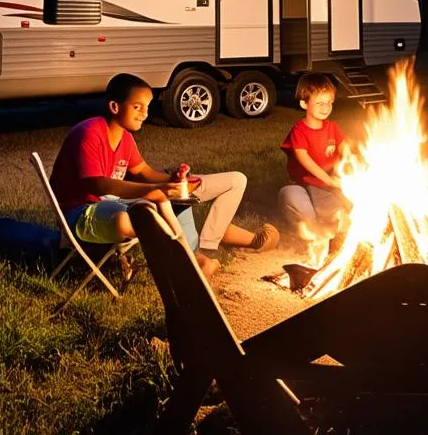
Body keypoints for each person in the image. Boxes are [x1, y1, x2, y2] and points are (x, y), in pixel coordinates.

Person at [50, 73, 279, 280]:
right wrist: (154, 190)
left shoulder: (125, 139)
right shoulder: (90, 133)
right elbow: (98, 185)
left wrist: (174, 181)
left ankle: (193, 258)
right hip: (79, 212)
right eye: (137, 107)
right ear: (114, 106)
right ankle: (187, 260)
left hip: (109, 204)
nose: (145, 114)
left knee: (176, 199)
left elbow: (143, 172)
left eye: (147, 107)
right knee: (127, 220)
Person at [278, 73, 351, 241]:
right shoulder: (299, 130)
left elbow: (345, 149)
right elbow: (305, 160)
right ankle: (326, 230)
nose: (325, 107)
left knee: (350, 205)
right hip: (312, 182)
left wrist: (351, 160)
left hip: (333, 182)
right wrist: (329, 181)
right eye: (320, 103)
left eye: (329, 103)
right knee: (330, 211)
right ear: (304, 103)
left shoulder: (332, 127)